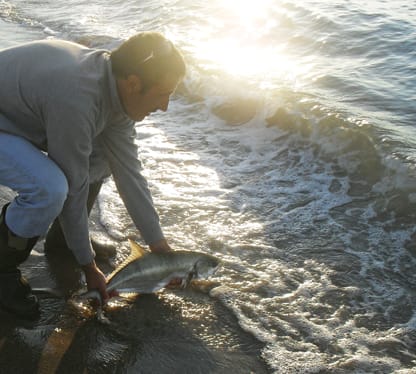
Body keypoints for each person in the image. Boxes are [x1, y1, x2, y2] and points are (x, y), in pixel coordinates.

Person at [0, 31, 186, 318]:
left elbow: (130, 173)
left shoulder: (115, 90)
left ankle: (65, 240)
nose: (164, 106)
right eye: (163, 94)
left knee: (102, 157)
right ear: (134, 84)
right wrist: (88, 266)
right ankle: (3, 270)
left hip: (17, 115)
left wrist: (159, 246)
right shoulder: (78, 98)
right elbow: (73, 184)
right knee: (50, 189)